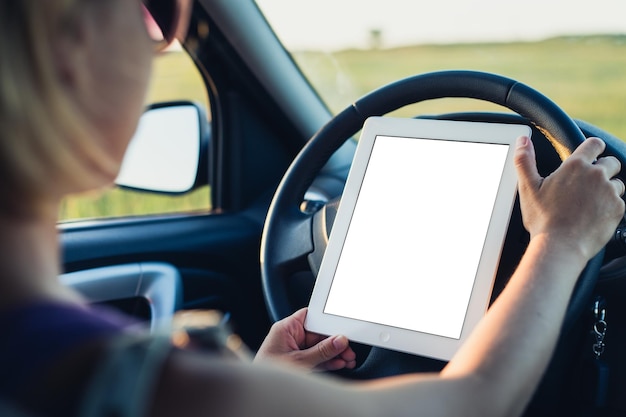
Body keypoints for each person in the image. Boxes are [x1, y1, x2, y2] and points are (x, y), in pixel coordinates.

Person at [0, 1, 624, 416]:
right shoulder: (118, 379)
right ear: (67, 45)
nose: (158, 45)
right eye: (155, 11)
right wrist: (560, 239)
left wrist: (261, 383)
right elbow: (474, 403)